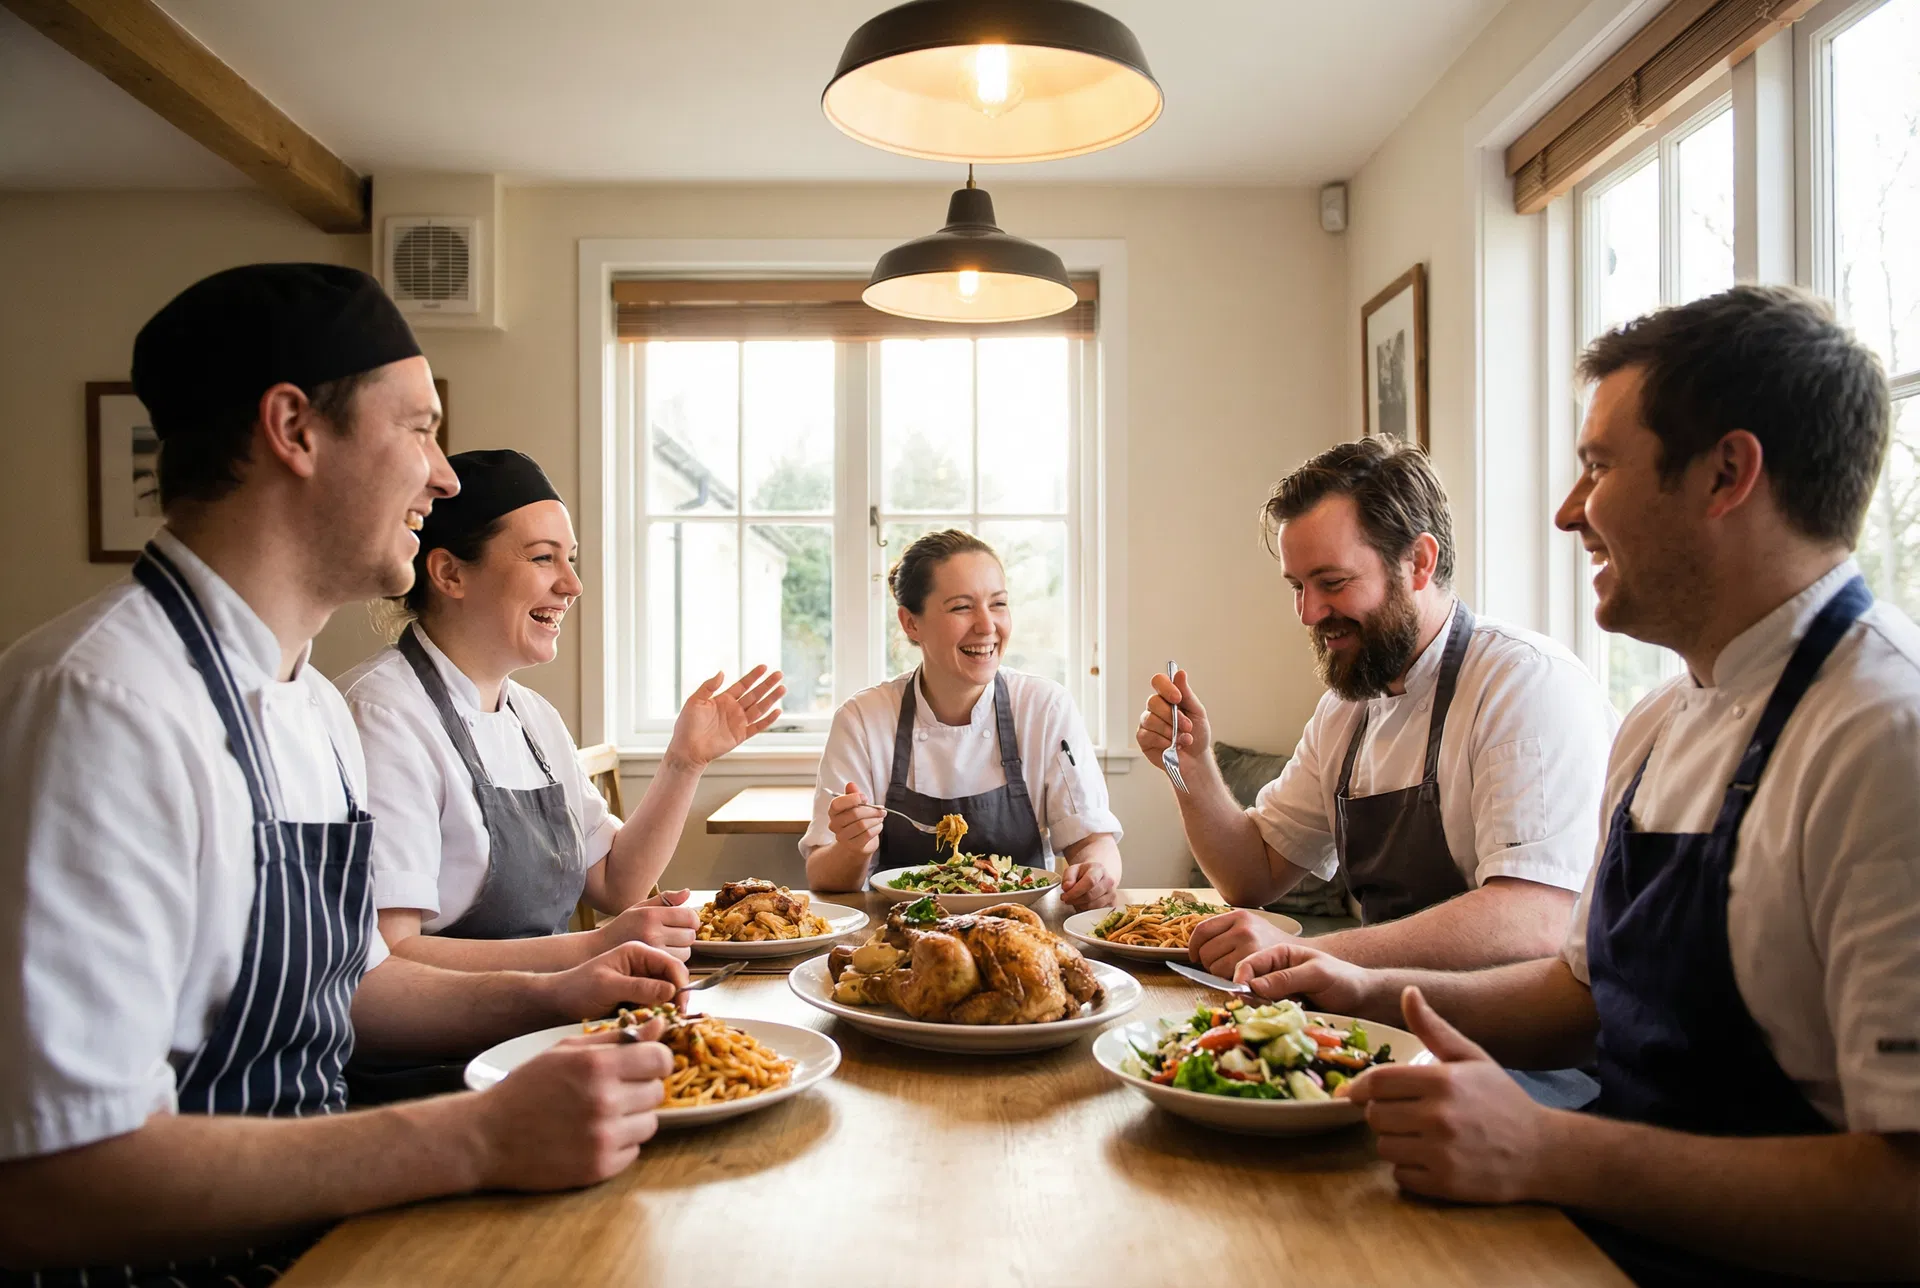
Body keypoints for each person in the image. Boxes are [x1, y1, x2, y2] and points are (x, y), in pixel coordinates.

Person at [0, 265, 689, 1284]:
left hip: (322, 1240)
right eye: (418, 428)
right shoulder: (104, 704)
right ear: (295, 429)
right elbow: (54, 1180)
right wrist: (475, 1136)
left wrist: (566, 990)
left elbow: (356, 985)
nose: (445, 476)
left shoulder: (314, 705)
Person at [1236, 286, 1920, 1285]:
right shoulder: (1659, 719)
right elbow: (1583, 993)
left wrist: (1551, 1149)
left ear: (1728, 473)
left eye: (1599, 466)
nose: (1569, 511)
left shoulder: (1882, 737)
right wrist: (1359, 989)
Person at [1137, 437, 1617, 977]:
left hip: (1509, 1049)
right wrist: (1192, 768)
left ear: (1418, 562)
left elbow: (1532, 921)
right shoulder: (1346, 711)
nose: (1308, 613)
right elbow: (1254, 874)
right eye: (1297, 586)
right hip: (1383, 1020)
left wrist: (1313, 954)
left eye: (1332, 582)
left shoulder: (1523, 685)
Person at [340, 449, 784, 971]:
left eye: (570, 559)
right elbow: (389, 957)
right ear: (450, 574)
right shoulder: (382, 716)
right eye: (543, 557)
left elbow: (617, 882)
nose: (572, 584)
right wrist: (594, 947)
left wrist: (685, 762)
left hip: (552, 1018)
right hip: (451, 1048)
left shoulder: (534, 718)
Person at [804, 530, 1123, 911]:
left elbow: (1091, 840)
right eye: (961, 607)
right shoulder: (863, 719)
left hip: (1024, 937)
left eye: (999, 604)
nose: (987, 626)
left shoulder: (1044, 708)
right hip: (901, 940)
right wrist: (853, 847)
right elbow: (823, 876)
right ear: (911, 623)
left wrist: (1098, 875)